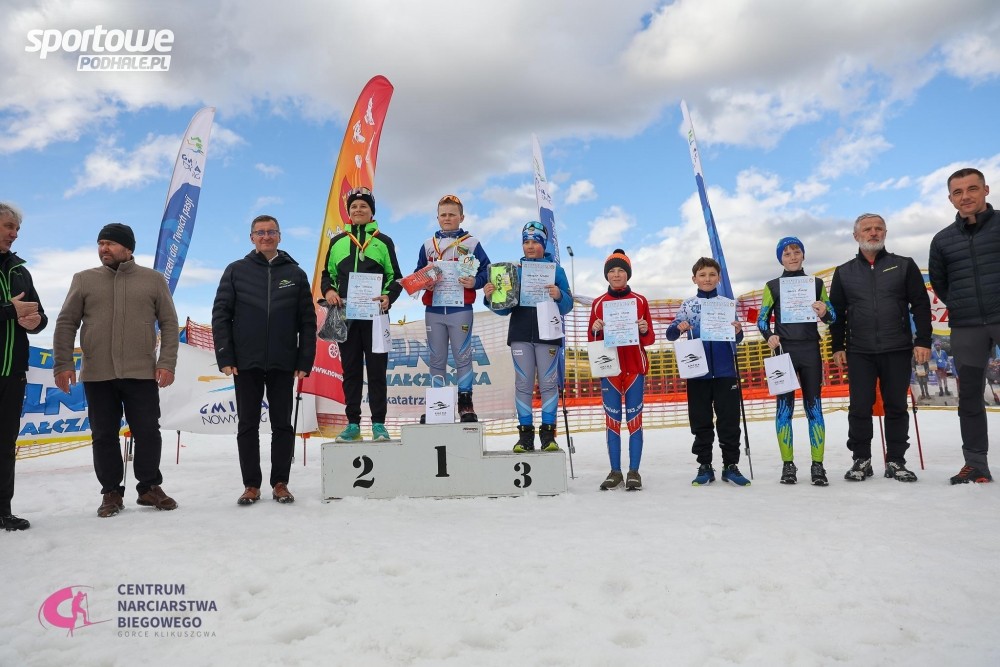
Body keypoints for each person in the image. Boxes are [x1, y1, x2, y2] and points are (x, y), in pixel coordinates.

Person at [53, 223, 179, 517]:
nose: (103, 249)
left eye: (110, 243)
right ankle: (111, 492)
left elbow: (169, 323)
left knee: (148, 431)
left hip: (141, 372)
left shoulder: (153, 280)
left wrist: (166, 362)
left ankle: (149, 487)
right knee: (103, 434)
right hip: (98, 373)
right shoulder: (84, 279)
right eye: (100, 243)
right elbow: (66, 322)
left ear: (128, 248)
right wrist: (63, 363)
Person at [212, 214, 317, 506]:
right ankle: (251, 485)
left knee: (282, 424)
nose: (266, 236)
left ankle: (280, 483)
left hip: (284, 361)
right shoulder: (236, 270)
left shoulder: (295, 273)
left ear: (280, 236)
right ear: (252, 238)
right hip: (246, 361)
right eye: (260, 232)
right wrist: (225, 355)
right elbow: (221, 315)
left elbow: (307, 321)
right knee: (247, 425)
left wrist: (305, 360)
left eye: (271, 232)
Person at [829, 213, 931, 483]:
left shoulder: (904, 265)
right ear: (856, 236)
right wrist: (837, 346)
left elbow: (921, 304)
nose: (873, 233)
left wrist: (923, 340)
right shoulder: (844, 272)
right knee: (859, 406)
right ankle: (861, 459)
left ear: (885, 233)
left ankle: (896, 460)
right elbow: (836, 313)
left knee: (896, 406)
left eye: (878, 228)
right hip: (859, 351)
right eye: (867, 229)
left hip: (897, 348)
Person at [929, 167, 1000, 484]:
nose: (965, 196)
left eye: (972, 189)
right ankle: (976, 464)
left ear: (986, 190)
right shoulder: (942, 240)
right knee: (970, 396)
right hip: (967, 326)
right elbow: (941, 284)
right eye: (958, 192)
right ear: (950, 199)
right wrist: (963, 305)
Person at [320, 187, 403, 442]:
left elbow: (395, 277)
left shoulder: (383, 241)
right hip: (347, 316)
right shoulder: (337, 241)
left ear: (371, 212)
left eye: (363, 206)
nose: (358, 210)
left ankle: (379, 424)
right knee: (351, 371)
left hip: (376, 316)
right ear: (349, 211)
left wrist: (389, 296)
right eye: (354, 206)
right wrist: (329, 290)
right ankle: (353, 424)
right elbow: (327, 275)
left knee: (377, 371)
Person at [482, 221, 573, 452]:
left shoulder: (556, 270)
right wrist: (490, 297)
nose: (530, 246)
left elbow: (567, 305)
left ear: (544, 244)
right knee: (523, 383)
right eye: (526, 242)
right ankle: (525, 436)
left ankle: (548, 436)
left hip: (548, 333)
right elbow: (503, 309)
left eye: (535, 242)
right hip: (521, 333)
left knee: (548, 383)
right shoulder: (513, 270)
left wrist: (559, 294)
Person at [756, 237, 835, 486]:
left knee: (814, 409)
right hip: (784, 352)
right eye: (787, 253)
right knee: (784, 410)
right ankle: (788, 465)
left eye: (796, 252)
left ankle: (818, 465)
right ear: (780, 258)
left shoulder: (816, 283)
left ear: (803, 255)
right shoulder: (772, 286)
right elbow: (761, 319)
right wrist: (769, 336)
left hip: (810, 349)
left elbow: (832, 316)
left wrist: (824, 311)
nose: (792, 257)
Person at [666, 257, 749, 486]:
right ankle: (704, 465)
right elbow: (670, 334)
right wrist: (679, 327)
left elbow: (737, 338)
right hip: (697, 372)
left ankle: (730, 465)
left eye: (712, 274)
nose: (707, 279)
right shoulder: (688, 305)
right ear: (694, 279)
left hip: (725, 372)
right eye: (702, 275)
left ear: (719, 278)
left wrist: (738, 331)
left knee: (729, 421)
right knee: (700, 420)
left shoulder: (727, 304)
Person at [413, 195, 491, 421]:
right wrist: (424, 282)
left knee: (463, 357)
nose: (447, 218)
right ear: (437, 217)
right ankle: (438, 407)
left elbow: (487, 271)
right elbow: (418, 272)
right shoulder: (428, 245)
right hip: (434, 309)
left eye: (452, 214)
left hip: (460, 309)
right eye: (443, 215)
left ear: (461, 217)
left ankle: (466, 406)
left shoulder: (472, 243)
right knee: (436, 358)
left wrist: (474, 282)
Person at [588, 249, 654, 491]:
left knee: (635, 421)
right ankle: (615, 471)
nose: (616, 275)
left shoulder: (640, 301)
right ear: (607, 275)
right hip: (610, 370)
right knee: (612, 421)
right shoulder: (598, 303)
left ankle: (634, 471)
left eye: (621, 271)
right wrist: (596, 328)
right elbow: (592, 339)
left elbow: (649, 339)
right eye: (612, 271)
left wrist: (644, 329)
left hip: (635, 367)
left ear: (628, 274)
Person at [0, 202, 47, 531]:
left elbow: (39, 314)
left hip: (13, 372)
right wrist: (9, 311)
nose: (14, 234)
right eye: (8, 227)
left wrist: (36, 322)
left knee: (5, 445)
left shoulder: (20, 271)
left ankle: (3, 510)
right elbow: (11, 310)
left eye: (16, 229)